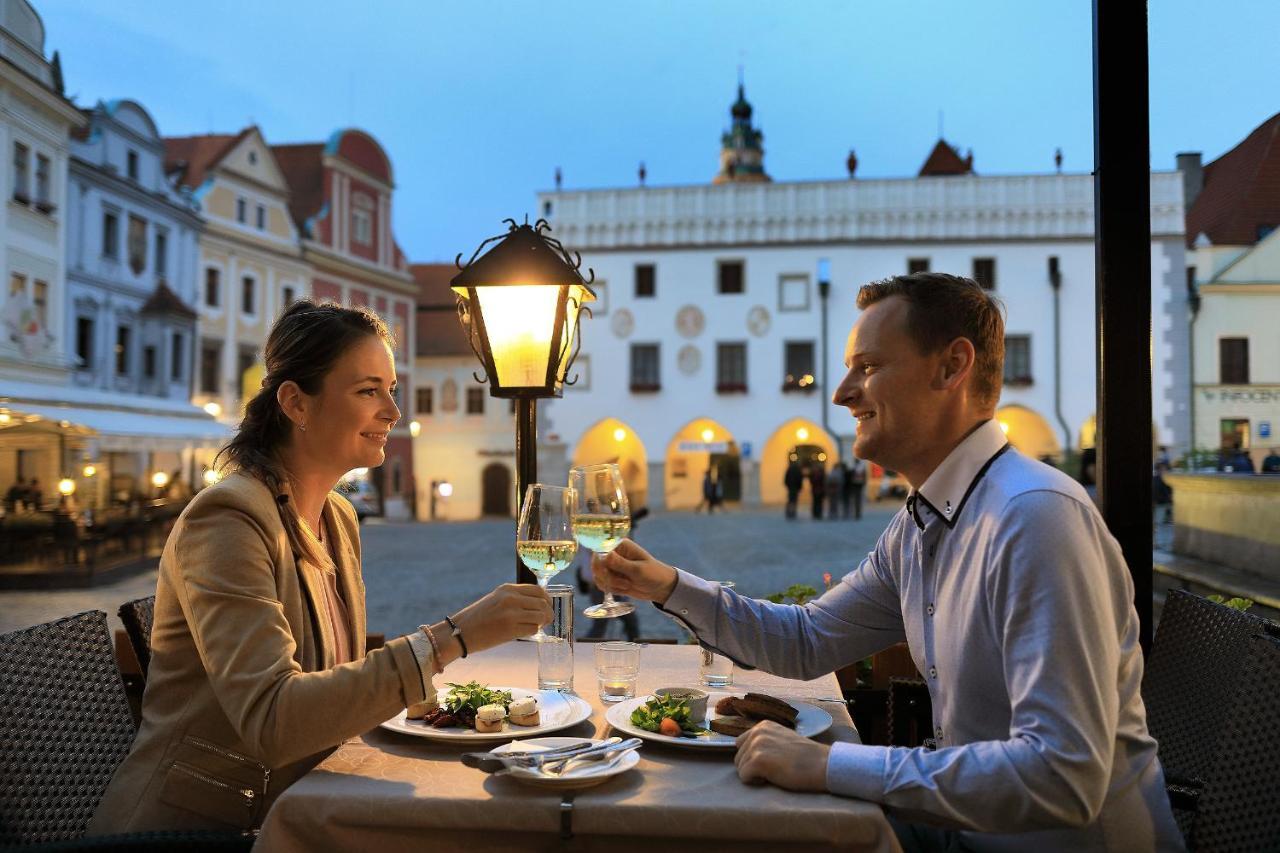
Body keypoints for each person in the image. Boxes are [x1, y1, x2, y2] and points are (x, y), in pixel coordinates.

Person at [595, 272, 1182, 852]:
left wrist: (831, 765)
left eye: (868, 367)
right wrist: (667, 585)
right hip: (971, 833)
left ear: (952, 367)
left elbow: (1062, 777)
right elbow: (807, 640)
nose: (842, 392)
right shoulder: (925, 519)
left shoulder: (1033, 518)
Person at [89, 301, 550, 834]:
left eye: (391, 390)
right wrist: (453, 637)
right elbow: (274, 720)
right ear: (295, 403)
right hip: (200, 829)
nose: (393, 413)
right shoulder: (227, 519)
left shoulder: (337, 517)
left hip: (302, 801)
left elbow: (335, 682)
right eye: (368, 391)